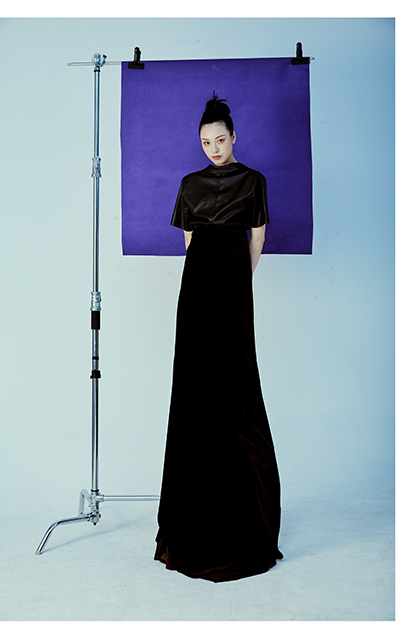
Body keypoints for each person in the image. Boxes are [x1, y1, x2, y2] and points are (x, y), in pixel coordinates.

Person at [154, 93, 283, 582]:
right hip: (199, 288)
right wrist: (221, 280)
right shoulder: (190, 184)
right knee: (197, 390)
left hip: (231, 284)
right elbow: (190, 242)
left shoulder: (254, 180)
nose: (214, 148)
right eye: (206, 142)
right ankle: (199, 512)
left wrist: (238, 286)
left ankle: (245, 512)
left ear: (234, 137)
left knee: (236, 388)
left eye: (220, 140)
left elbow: (257, 239)